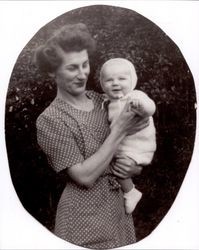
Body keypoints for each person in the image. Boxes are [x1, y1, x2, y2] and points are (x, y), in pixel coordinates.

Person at [34, 23, 148, 249]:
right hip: (83, 217)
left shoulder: (101, 100)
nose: (82, 74)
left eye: (85, 65)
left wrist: (134, 168)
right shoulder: (50, 119)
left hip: (118, 208)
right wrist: (120, 129)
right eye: (72, 68)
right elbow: (84, 176)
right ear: (52, 72)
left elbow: (130, 147)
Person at [100, 58, 156, 214]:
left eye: (121, 79)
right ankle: (130, 191)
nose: (115, 83)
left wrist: (142, 106)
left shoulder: (136, 96)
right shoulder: (108, 101)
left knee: (119, 166)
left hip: (137, 145)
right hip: (122, 144)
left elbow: (151, 109)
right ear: (102, 84)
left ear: (133, 80)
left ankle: (130, 192)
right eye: (109, 80)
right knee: (113, 162)